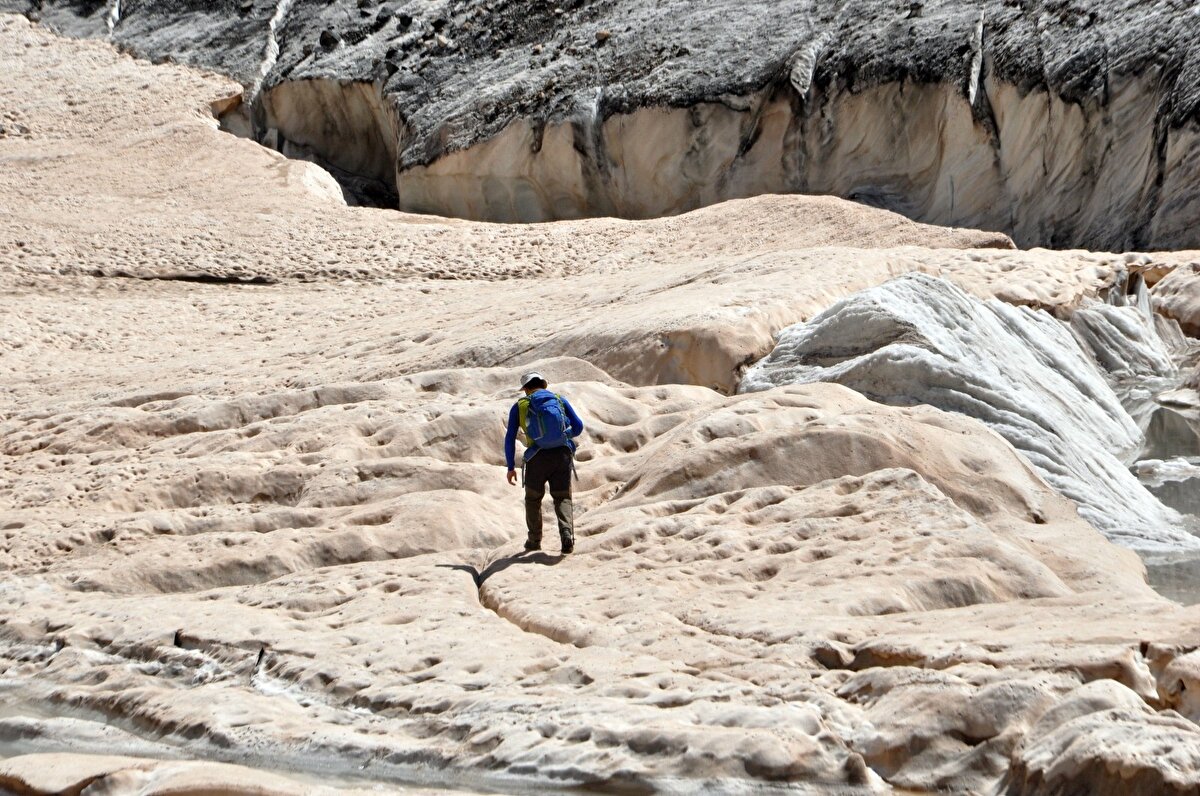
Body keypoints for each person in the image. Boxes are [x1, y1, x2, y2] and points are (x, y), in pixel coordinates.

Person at [505, 372, 584, 554]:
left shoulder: (520, 406)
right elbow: (578, 426)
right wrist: (564, 436)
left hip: (536, 458)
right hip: (562, 456)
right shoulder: (558, 399)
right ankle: (566, 535)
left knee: (533, 500)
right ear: (543, 384)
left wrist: (510, 467)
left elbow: (510, 438)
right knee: (562, 497)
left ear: (526, 389)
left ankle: (534, 541)